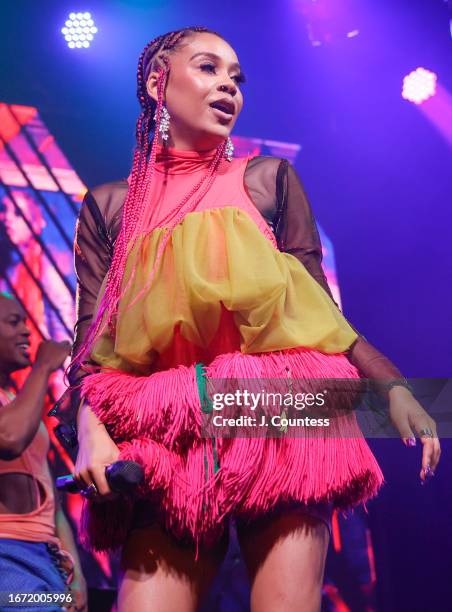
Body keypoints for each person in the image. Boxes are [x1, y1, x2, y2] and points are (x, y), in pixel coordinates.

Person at [55, 27, 441, 611]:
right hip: (167, 426)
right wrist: (90, 430)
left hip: (276, 409)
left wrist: (389, 383)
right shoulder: (111, 206)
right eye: (209, 68)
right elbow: (91, 344)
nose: (229, 87)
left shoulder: (267, 182)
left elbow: (317, 307)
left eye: (237, 78)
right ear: (159, 80)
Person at [0, 293, 87, 612]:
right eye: (13, 323)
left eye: (25, 321)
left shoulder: (16, 400)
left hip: (46, 558)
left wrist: (75, 574)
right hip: (6, 558)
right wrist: (43, 366)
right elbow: (8, 438)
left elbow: (50, 496)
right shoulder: (19, 412)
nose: (26, 331)